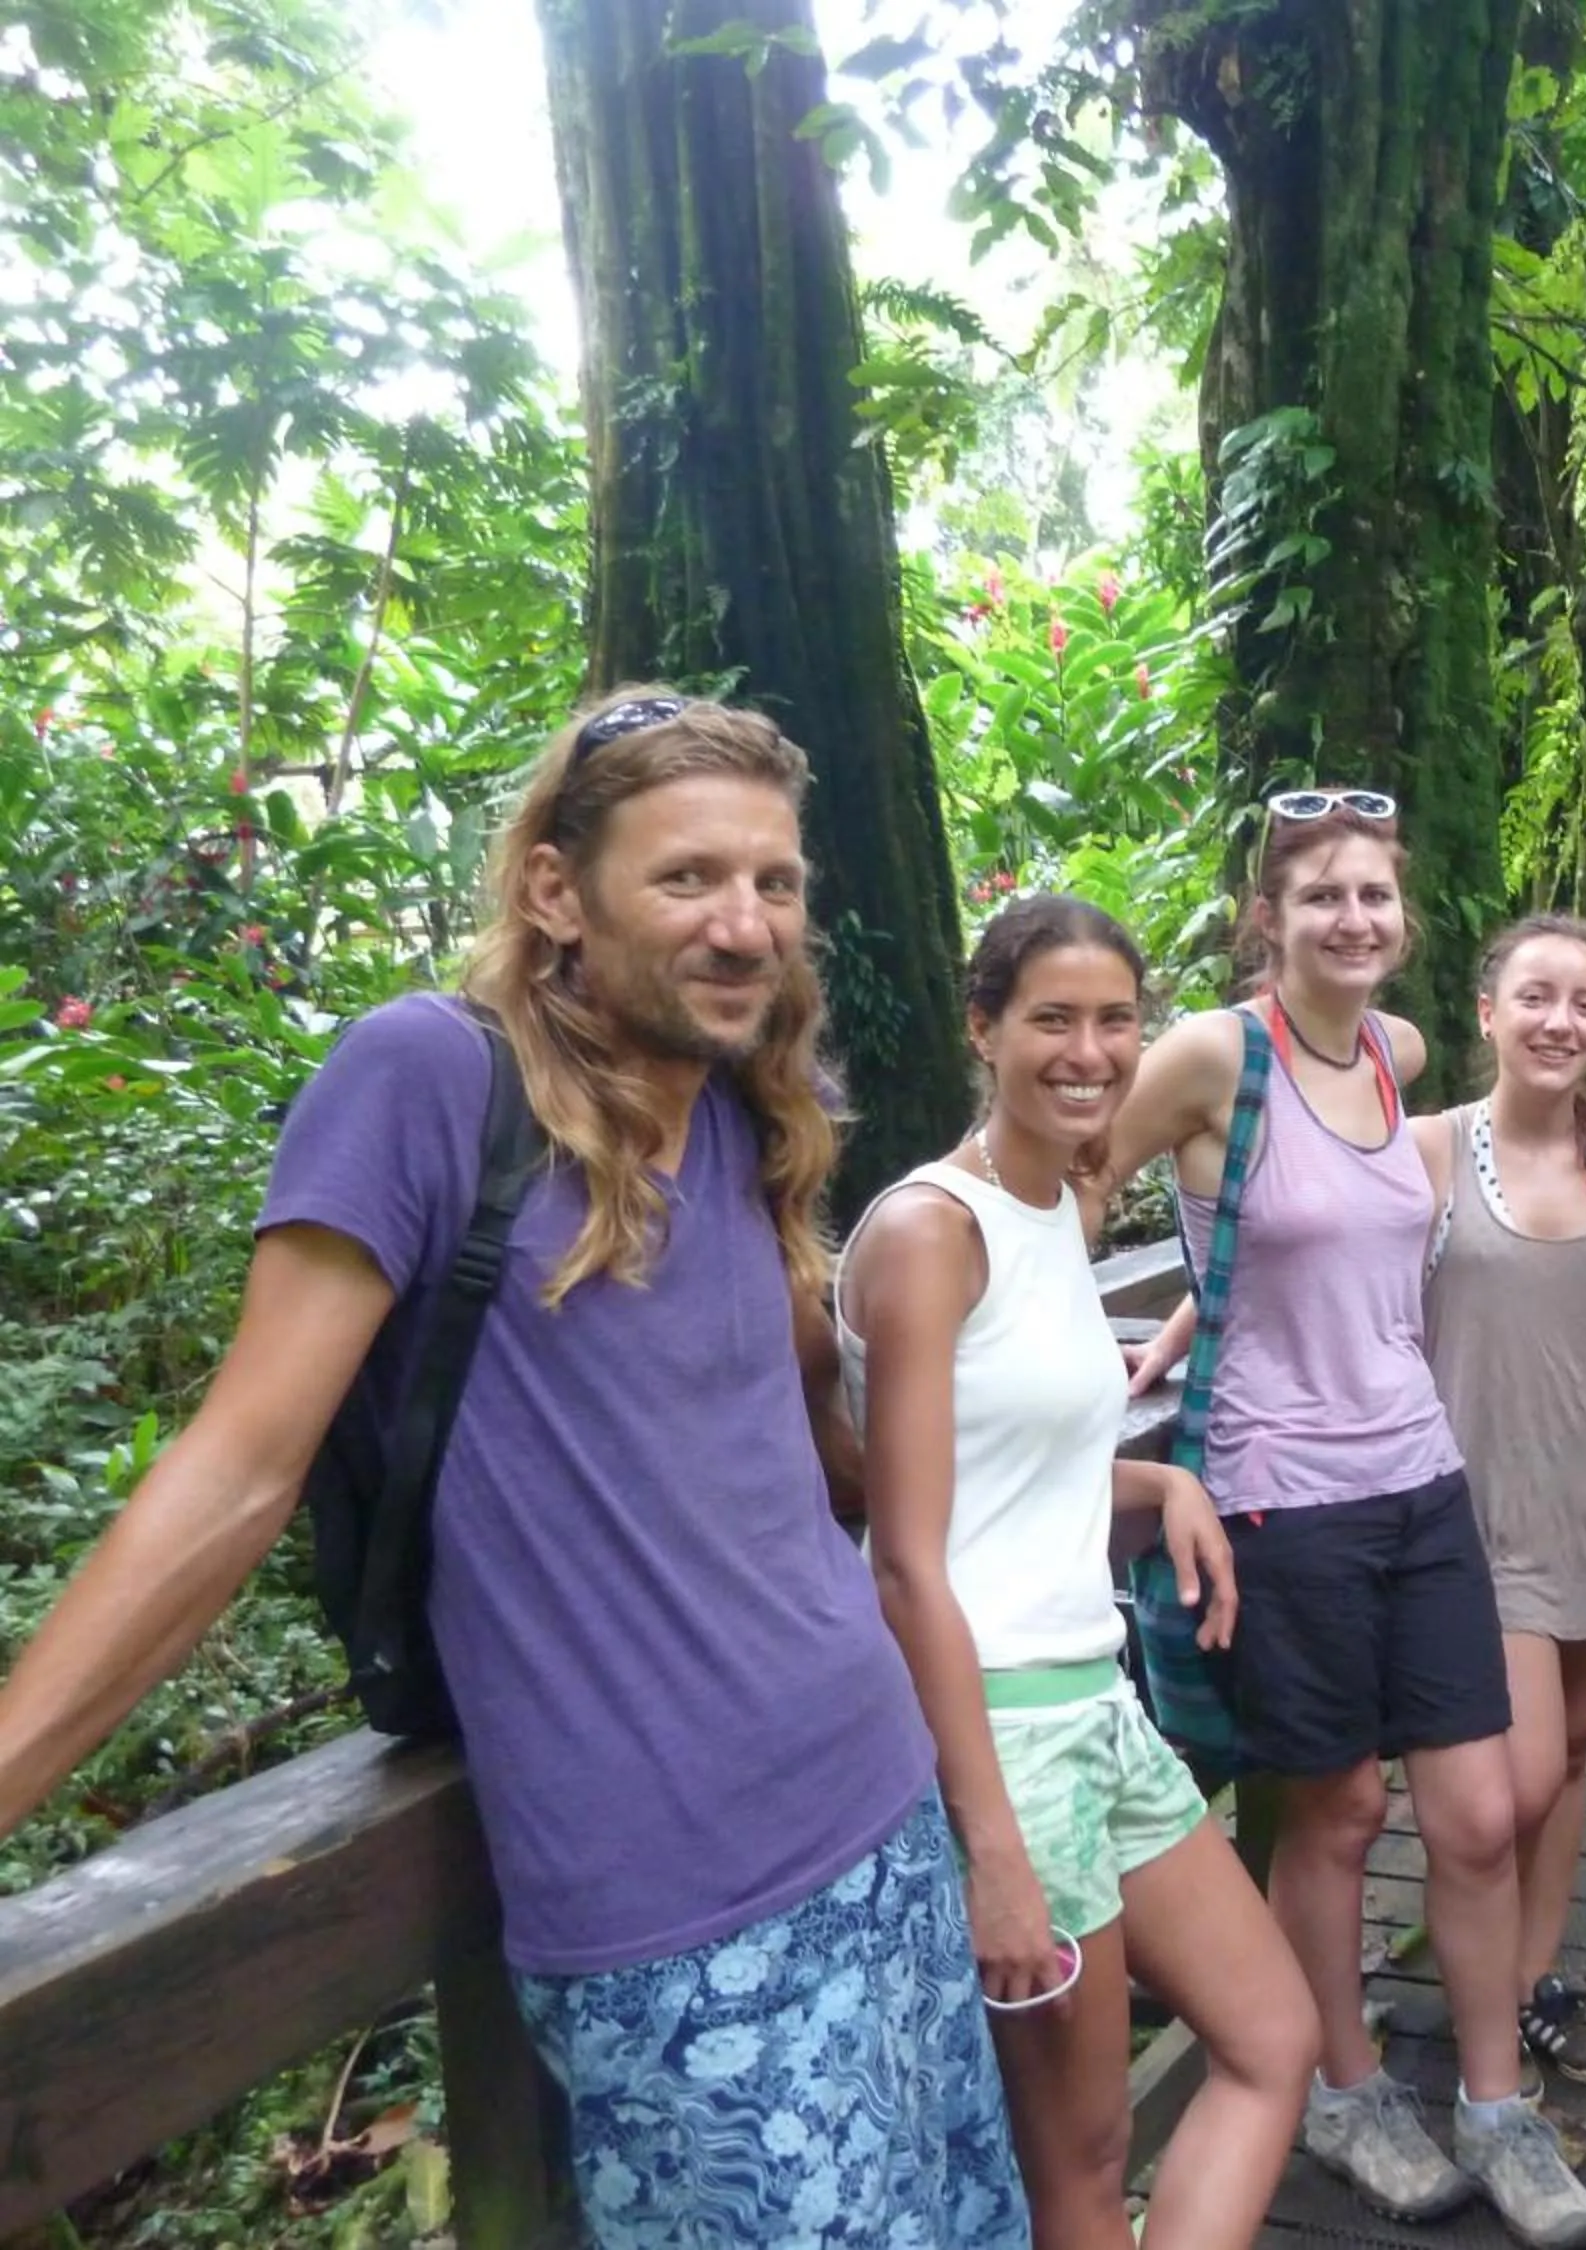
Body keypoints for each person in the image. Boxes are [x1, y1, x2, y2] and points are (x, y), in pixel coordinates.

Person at [0, 690, 1027, 2247]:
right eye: (687, 876)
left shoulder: (749, 1110)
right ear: (556, 889)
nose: (745, 923)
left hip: (881, 1807)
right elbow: (237, 1469)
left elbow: (787, 1447)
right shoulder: (427, 1078)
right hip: (670, 1907)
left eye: (775, 881)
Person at [1101, 792, 1586, 2250]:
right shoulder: (1214, 1054)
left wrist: (1189, 1317)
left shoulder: (1401, 1052)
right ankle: (1345, 2085)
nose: (1354, 917)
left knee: (1481, 1814)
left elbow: (1329, 1247)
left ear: (1405, 914)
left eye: (1375, 893)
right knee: (1337, 1812)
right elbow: (1056, 1190)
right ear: (1267, 916)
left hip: (1421, 1474)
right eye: (1322, 894)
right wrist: (1064, 1376)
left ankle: (1497, 2107)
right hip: (1278, 1493)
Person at [841, 895, 1316, 2250]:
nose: (1091, 1051)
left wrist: (1161, 1483)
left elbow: (1009, 1476)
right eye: (1053, 1018)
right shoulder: (934, 1230)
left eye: (1117, 1020)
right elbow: (907, 1559)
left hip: (1095, 1710)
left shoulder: (1057, 1203)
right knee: (1083, 2162)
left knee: (1271, 2036)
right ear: (982, 1028)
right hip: (998, 1731)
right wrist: (992, 1847)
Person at [1412, 914, 1586, 2091]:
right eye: (1535, 996)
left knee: (1570, 1758)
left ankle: (1531, 1983)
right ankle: (1480, 1986)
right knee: (1511, 1783)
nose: (1558, 1021)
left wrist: (1571, 1370)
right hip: (1479, 1506)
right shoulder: (1425, 1151)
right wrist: (1183, 1333)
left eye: (1584, 1003)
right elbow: (1307, 1266)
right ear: (1488, 1014)